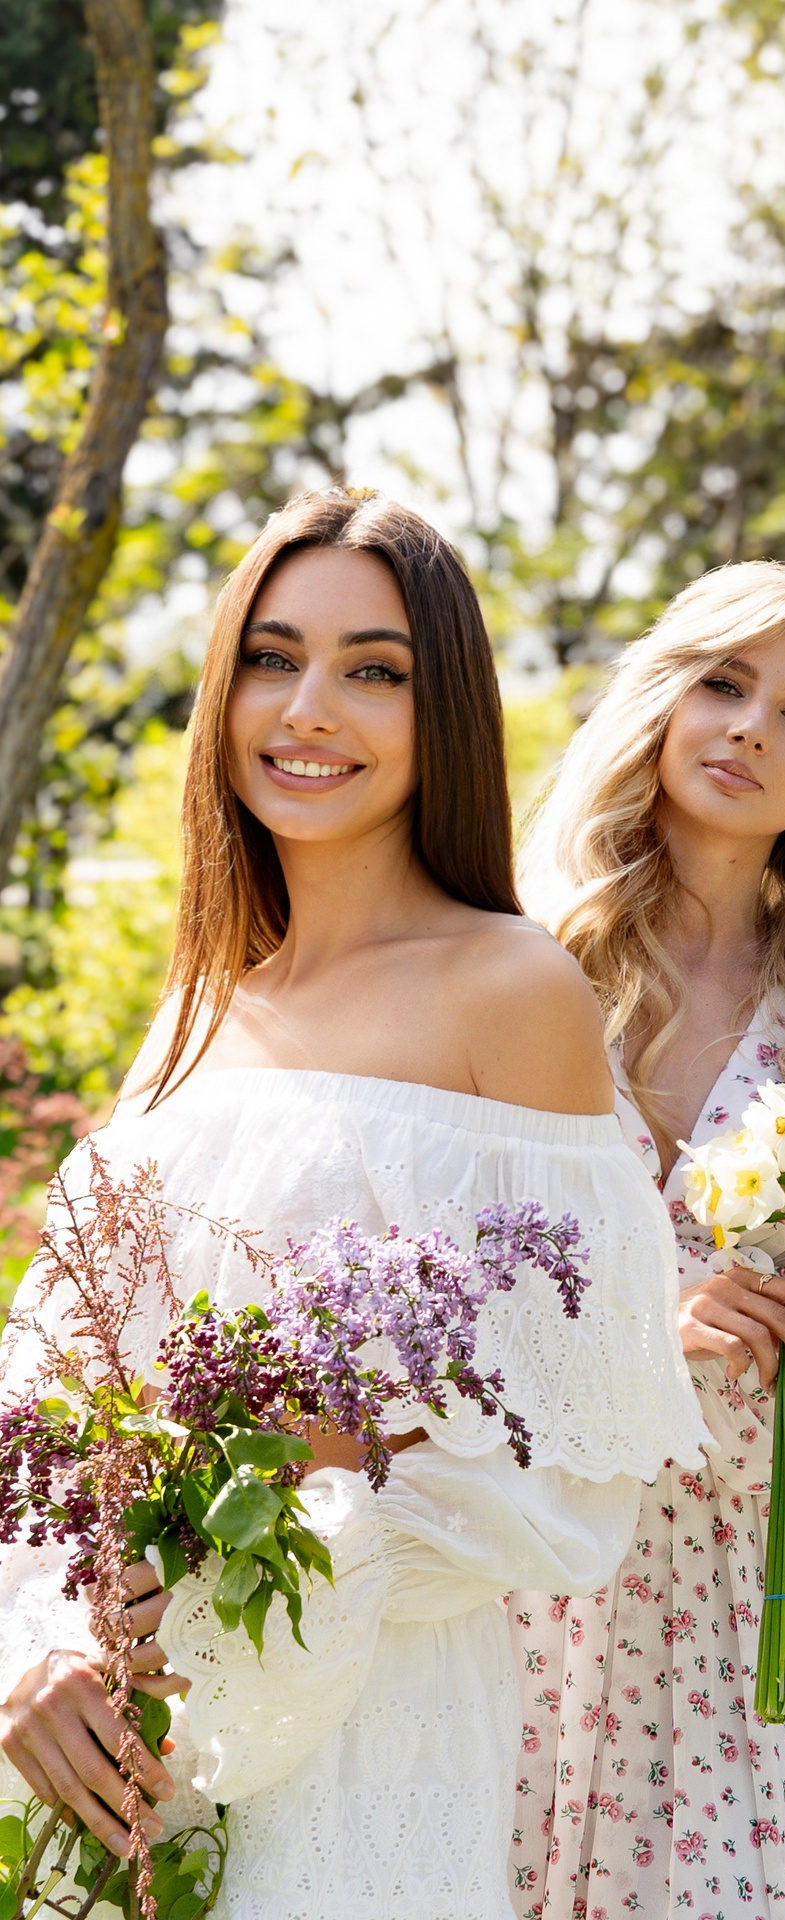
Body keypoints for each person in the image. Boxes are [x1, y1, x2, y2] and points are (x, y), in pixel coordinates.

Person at [0, 489, 704, 1915]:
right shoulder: (200, 1006)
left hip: (371, 1737)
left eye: (373, 670)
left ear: (443, 715)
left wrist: (286, 1530)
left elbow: (573, 1470)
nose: (308, 707)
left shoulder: (513, 992)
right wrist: (38, 1651)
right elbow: (51, 1398)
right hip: (114, 1737)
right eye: (273, 657)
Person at [507, 562, 785, 1919]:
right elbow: (447, 1282)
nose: (753, 727)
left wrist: (737, 1360)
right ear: (664, 703)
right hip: (515, 1557)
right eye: (724, 684)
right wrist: (650, 1342)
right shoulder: (515, 966)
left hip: (729, 1587)